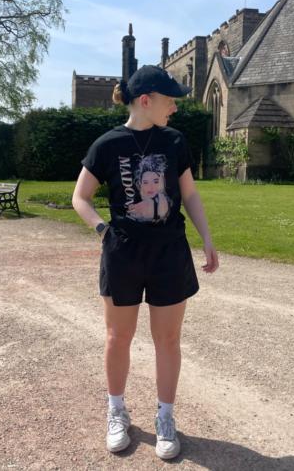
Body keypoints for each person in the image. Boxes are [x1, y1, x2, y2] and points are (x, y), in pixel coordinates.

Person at [72, 64, 219, 460]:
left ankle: (165, 417)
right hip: (123, 254)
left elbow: (189, 195)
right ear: (145, 100)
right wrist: (103, 230)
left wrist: (207, 239)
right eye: (170, 99)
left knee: (167, 340)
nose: (175, 107)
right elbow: (80, 197)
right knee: (117, 337)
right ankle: (116, 412)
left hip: (169, 253)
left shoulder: (175, 141)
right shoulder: (107, 145)